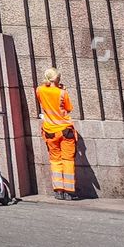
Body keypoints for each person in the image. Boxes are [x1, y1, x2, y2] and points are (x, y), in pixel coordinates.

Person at [36, 67, 78, 200]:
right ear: (58, 79)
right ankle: (69, 191)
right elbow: (69, 108)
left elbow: (42, 96)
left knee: (55, 160)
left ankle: (58, 190)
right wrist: (62, 89)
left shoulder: (40, 90)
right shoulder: (62, 93)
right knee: (67, 160)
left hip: (50, 131)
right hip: (65, 130)